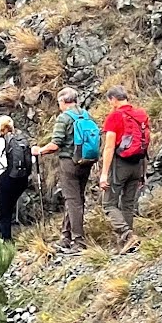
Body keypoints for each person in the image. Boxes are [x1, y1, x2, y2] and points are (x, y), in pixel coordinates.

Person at [39, 86, 100, 249]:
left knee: (73, 200)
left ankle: (78, 240)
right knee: (77, 198)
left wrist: (40, 150)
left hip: (69, 163)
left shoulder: (64, 118)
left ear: (62, 101)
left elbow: (55, 144)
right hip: (86, 161)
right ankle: (66, 236)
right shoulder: (86, 115)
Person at [97, 79, 151, 253]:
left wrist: (104, 174)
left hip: (120, 165)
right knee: (127, 204)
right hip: (137, 164)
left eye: (109, 101)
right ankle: (126, 245)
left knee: (108, 204)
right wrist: (143, 172)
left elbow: (109, 147)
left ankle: (128, 236)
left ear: (113, 99)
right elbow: (145, 143)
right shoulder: (141, 114)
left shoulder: (114, 117)